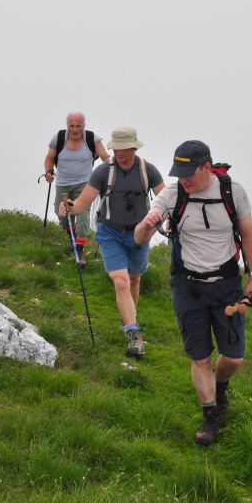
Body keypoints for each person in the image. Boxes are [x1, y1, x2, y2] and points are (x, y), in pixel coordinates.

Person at [134, 140, 252, 446]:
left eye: (189, 172)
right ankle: (211, 416)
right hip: (187, 286)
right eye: (179, 173)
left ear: (207, 167)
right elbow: (140, 237)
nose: (184, 179)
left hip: (227, 284)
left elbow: (248, 234)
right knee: (200, 355)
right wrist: (149, 224)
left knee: (233, 357)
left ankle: (220, 387)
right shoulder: (173, 194)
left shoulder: (233, 192)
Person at [59, 126, 164, 357]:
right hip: (110, 233)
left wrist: (168, 220)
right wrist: (68, 207)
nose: (118, 153)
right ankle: (133, 335)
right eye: (115, 149)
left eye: (123, 149)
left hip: (138, 233)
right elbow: (82, 203)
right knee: (120, 281)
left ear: (133, 147)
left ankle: (127, 317)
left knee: (134, 279)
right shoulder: (104, 171)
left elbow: (165, 200)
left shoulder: (149, 171)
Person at [44, 112, 109, 265]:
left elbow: (105, 156)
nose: (74, 130)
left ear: (84, 126)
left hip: (86, 183)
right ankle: (71, 231)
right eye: (71, 126)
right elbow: (49, 158)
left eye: (78, 126)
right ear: (67, 126)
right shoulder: (59, 138)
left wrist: (114, 169)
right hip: (63, 183)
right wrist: (48, 172)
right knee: (62, 213)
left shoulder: (92, 138)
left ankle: (79, 249)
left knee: (83, 212)